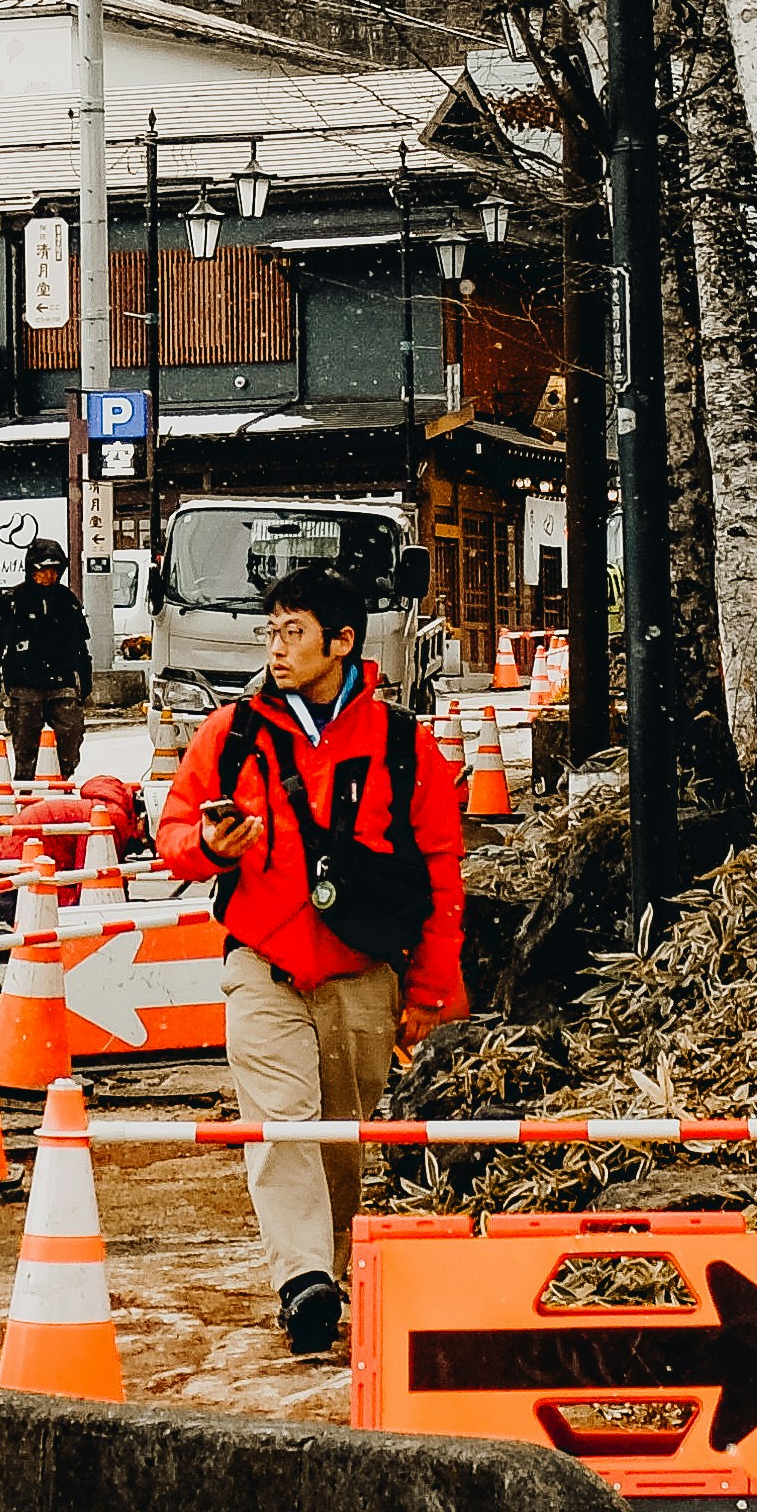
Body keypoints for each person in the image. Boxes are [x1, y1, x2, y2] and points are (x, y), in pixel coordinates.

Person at [156, 562, 464, 1359]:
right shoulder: (232, 734)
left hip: (362, 972)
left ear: (342, 642)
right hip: (261, 963)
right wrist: (207, 846)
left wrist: (431, 987)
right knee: (280, 1127)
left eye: (294, 631)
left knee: (339, 1135)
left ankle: (324, 1276)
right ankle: (301, 1280)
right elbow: (174, 835)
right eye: (272, 631)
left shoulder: (402, 742)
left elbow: (439, 870)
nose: (276, 646)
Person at [0, 539, 94, 783]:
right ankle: (25, 789)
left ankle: (60, 779)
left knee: (71, 732)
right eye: (43, 570)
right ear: (32, 570)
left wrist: (84, 676)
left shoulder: (67, 601)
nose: (49, 576)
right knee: (26, 743)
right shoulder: (13, 601)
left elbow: (79, 644)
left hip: (61, 681)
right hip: (23, 682)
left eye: (54, 570)